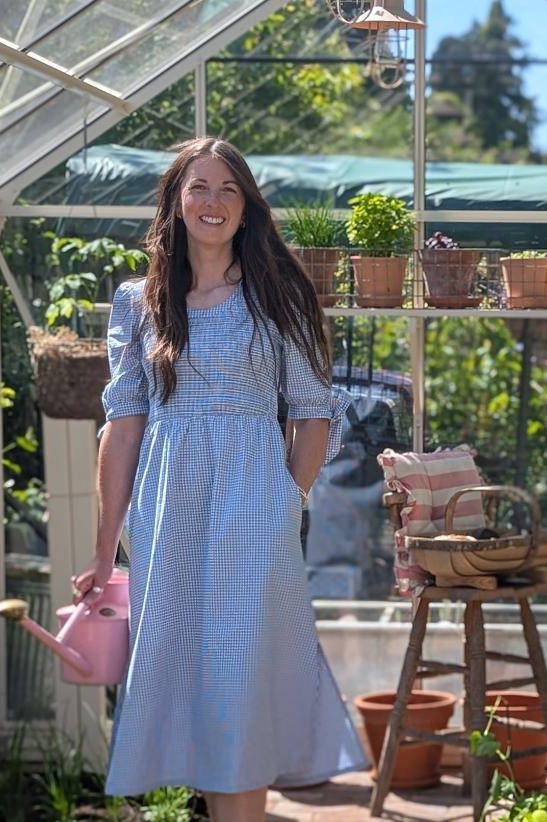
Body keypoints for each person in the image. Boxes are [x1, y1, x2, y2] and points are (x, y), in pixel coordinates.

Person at [78, 137, 366, 819]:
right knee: (193, 687)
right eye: (198, 187)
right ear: (176, 202)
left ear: (246, 206)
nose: (212, 202)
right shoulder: (138, 300)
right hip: (166, 513)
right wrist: (102, 547)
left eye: (227, 189)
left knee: (237, 683)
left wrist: (284, 504)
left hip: (253, 514)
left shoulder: (278, 293)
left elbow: (312, 411)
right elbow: (122, 429)